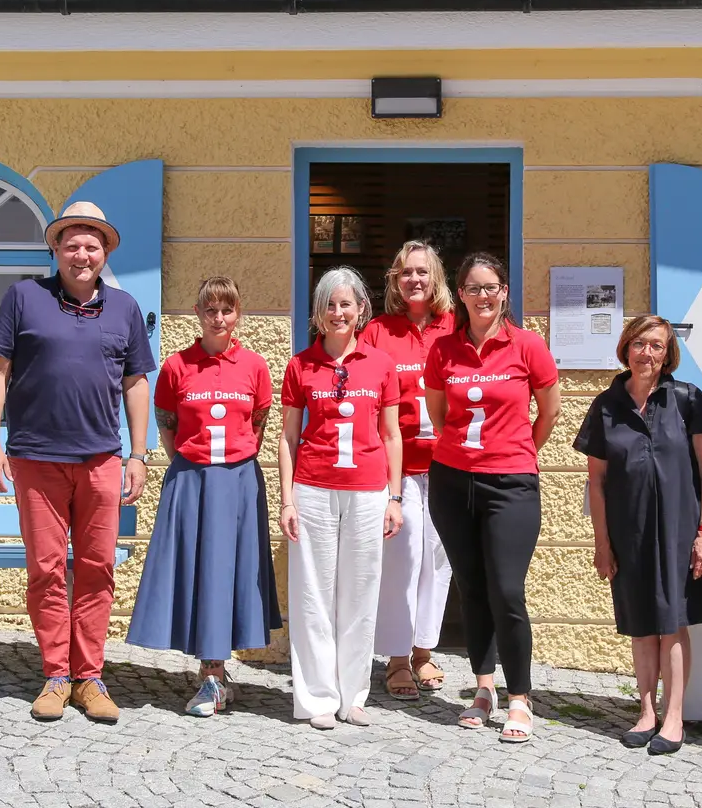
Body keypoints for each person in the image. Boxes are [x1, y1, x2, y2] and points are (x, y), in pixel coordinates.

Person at [0, 201, 156, 724]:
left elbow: (136, 382)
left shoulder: (124, 308)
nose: (82, 254)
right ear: (56, 249)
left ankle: (90, 677)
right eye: (72, 244)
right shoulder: (24, 297)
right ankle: (57, 675)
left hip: (101, 459)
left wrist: (138, 454)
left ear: (106, 252)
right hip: (35, 459)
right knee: (47, 570)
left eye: (92, 245)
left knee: (98, 569)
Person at [126, 276, 284, 717]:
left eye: (226, 310)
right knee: (198, 573)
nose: (218, 318)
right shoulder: (176, 366)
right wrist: (192, 462)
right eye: (210, 310)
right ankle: (212, 673)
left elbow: (258, 422)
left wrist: (231, 463)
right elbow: (167, 423)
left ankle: (213, 673)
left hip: (238, 481)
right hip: (191, 479)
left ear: (238, 314)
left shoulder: (254, 366)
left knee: (229, 574)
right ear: (197, 313)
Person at [424, 252, 561, 744]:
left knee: (506, 589)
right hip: (452, 481)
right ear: (459, 294)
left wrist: (515, 452)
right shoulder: (443, 349)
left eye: (491, 287)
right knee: (471, 586)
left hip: (511, 484)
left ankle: (520, 697)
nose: (482, 296)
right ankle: (484, 689)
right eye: (473, 288)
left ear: (504, 292)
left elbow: (549, 413)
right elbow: (440, 416)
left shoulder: (528, 345)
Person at [574, 316, 702, 755]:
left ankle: (674, 717)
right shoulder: (606, 405)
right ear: (626, 348)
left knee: (673, 624)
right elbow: (597, 482)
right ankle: (646, 712)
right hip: (629, 531)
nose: (647, 353)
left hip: (680, 532)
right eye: (639, 344)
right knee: (640, 625)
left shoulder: (687, 399)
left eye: (656, 345)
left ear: (667, 353)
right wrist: (602, 543)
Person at [278, 267, 405, 730]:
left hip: (368, 492)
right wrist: (287, 500)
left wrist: (395, 497)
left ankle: (353, 696)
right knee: (312, 594)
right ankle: (317, 699)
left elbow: (391, 435)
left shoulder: (381, 364)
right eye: (329, 304)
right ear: (318, 312)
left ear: (361, 309)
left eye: (345, 304)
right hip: (313, 489)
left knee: (360, 594)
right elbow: (288, 437)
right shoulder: (300, 365)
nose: (338, 312)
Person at [360, 241, 457, 700]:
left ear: (436, 277)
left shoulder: (455, 327)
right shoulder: (378, 331)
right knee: (402, 556)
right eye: (405, 272)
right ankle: (397, 658)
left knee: (438, 558)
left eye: (422, 271)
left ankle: (423, 651)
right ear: (395, 281)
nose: (414, 279)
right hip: (396, 465)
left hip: (449, 463)